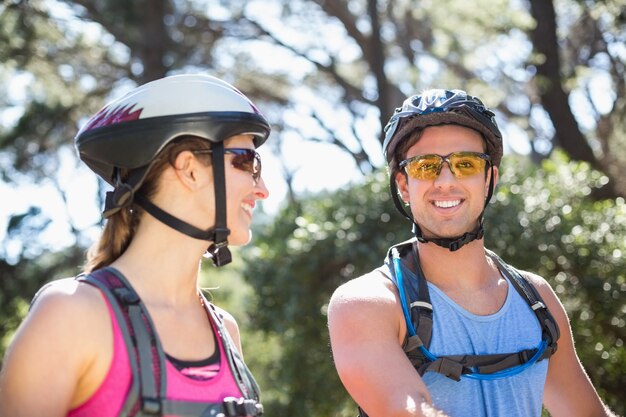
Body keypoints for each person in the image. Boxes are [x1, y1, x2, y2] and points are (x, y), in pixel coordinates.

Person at [327, 89, 618, 417]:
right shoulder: (367, 304)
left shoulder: (536, 300)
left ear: (489, 178)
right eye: (426, 167)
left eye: (465, 164)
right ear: (404, 185)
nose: (446, 181)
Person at [0, 74, 271, 417]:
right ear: (189, 169)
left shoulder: (225, 332)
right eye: (248, 162)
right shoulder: (71, 315)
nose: (262, 188)